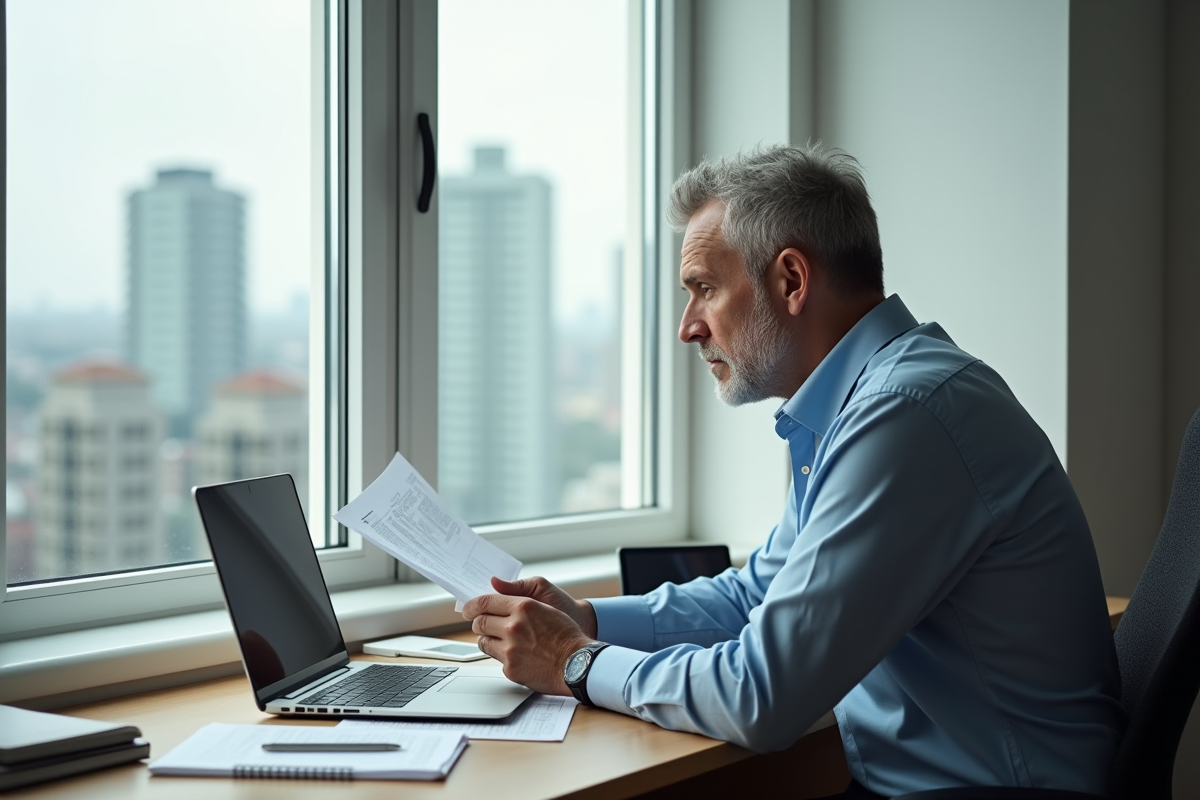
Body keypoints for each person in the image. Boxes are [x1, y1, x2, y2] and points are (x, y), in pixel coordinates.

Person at [462, 144, 1124, 797]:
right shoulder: (861, 406)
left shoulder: (904, 415)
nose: (688, 327)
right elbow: (757, 596)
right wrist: (590, 618)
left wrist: (574, 661)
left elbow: (761, 696)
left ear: (791, 280)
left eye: (705, 289)